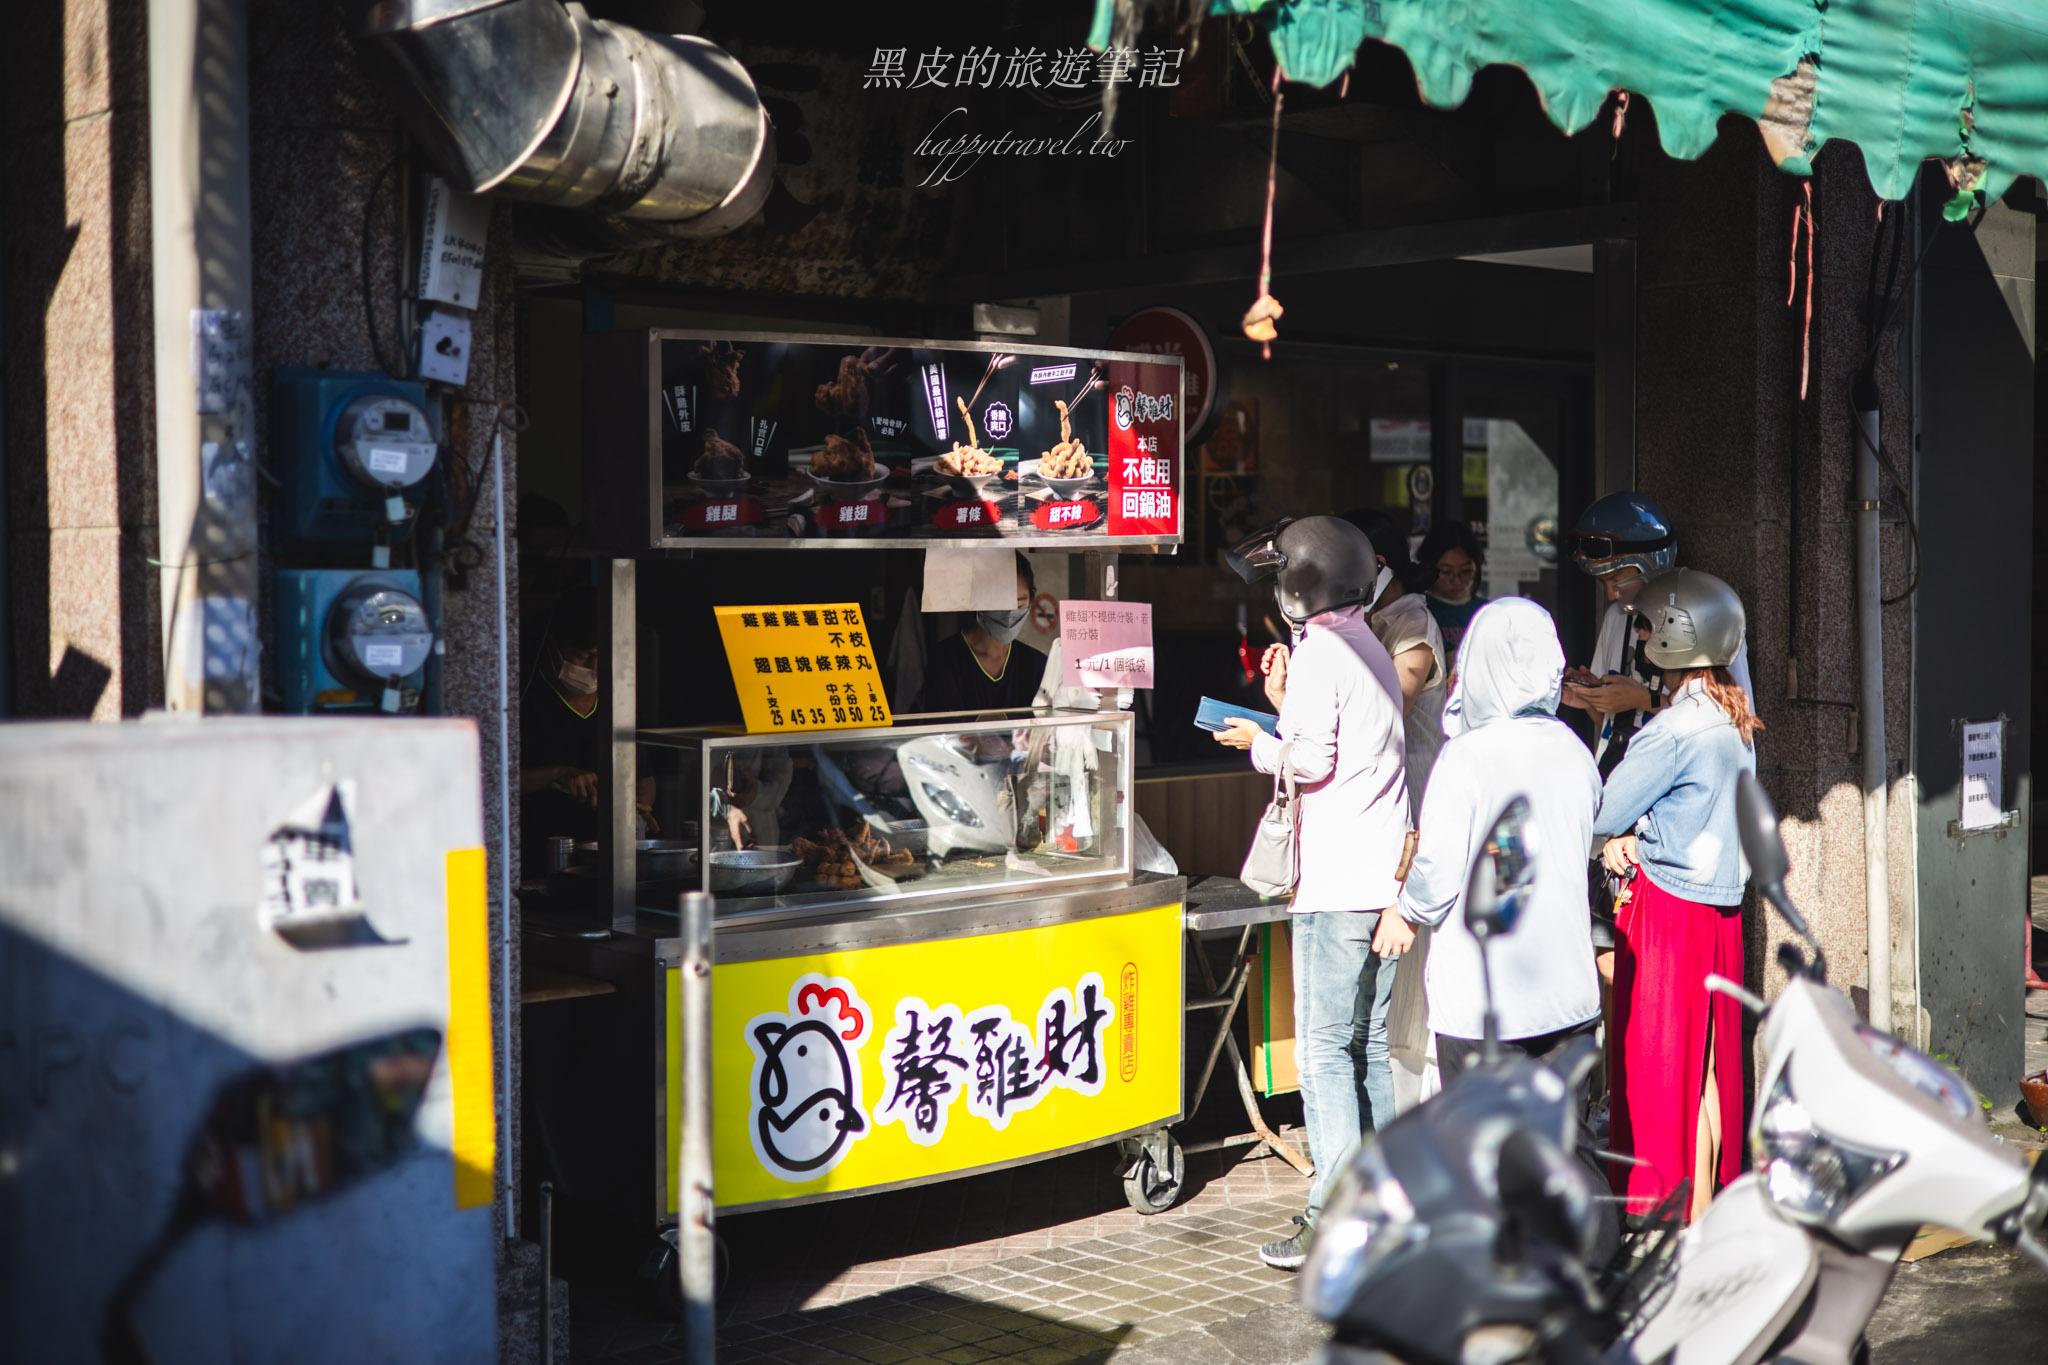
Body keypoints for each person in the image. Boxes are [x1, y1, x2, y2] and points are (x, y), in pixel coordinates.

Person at [1213, 517, 1410, 1270]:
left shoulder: (1324, 650)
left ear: (1303, 582)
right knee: (1366, 1046)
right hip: (1381, 882)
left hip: (1335, 883)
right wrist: (1280, 697)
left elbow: (1312, 759)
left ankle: (1332, 1215)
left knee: (1325, 1053)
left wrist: (1255, 738)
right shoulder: (1369, 646)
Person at [1371, 598, 1602, 1080]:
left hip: (1485, 1001)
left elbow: (1437, 868)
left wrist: (1406, 913)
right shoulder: (1574, 751)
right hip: (1567, 994)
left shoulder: (1466, 756)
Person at [1592, 569, 1761, 1223]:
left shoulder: (1671, 729)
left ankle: (1670, 1215)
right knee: (1714, 1066)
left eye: (1643, 624)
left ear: (1670, 634)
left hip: (1667, 909)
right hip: (1721, 912)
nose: (1637, 635)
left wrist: (1622, 835)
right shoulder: (1733, 712)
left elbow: (1604, 807)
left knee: (1665, 1067)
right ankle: (1710, 1208)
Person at [1340, 508, 1449, 1114]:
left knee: (1413, 971)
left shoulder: (1414, 624)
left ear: (1377, 568)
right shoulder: (1372, 620)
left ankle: (1415, 1109)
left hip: (1419, 811)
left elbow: (1389, 708)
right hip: (1383, 814)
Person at [518, 588, 658, 863]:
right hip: (538, 851)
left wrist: (641, 806)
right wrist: (557, 773)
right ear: (554, 648)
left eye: (602, 656)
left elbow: (644, 777)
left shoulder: (619, 702)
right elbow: (494, 781)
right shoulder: (525, 699)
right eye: (583, 657)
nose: (594, 666)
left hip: (606, 855)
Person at [913, 553, 1046, 713]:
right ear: (978, 601)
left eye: (1019, 603)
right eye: (1000, 602)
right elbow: (945, 729)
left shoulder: (1036, 664)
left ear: (1031, 601)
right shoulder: (946, 659)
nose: (1010, 612)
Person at [1416, 522, 1488, 658]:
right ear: (1429, 568)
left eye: (1466, 571)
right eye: (1446, 571)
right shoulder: (1419, 610)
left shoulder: (1487, 611)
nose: (1456, 580)